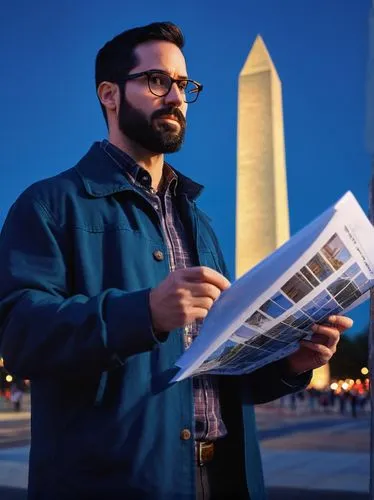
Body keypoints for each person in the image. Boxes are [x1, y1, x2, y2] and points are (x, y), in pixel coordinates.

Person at [0, 21, 353, 500]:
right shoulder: (49, 205)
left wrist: (290, 362)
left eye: (184, 85)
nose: (176, 97)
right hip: (116, 482)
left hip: (224, 478)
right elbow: (19, 334)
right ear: (109, 94)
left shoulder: (200, 223)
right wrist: (143, 313)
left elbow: (217, 373)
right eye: (157, 81)